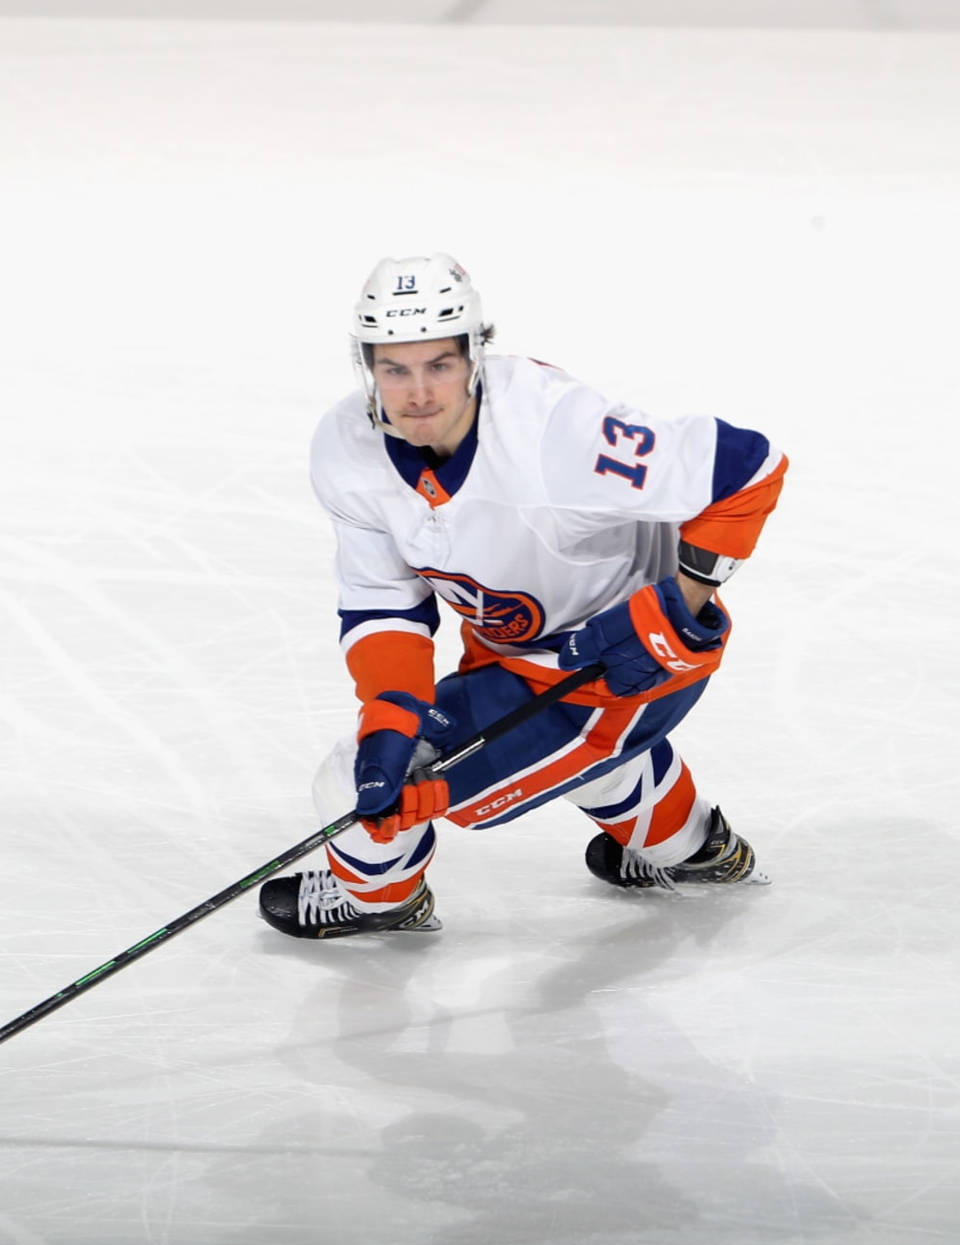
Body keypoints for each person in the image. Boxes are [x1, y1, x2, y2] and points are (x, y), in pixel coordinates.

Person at [258, 253, 788, 939]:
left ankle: (379, 897)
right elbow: (383, 604)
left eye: (439, 365)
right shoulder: (345, 448)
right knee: (571, 770)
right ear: (367, 366)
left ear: (475, 355)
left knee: (348, 784)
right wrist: (391, 715)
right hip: (510, 651)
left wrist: (676, 606)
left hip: (623, 668)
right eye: (395, 368)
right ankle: (696, 851)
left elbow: (748, 468)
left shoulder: (554, 432)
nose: (418, 392)